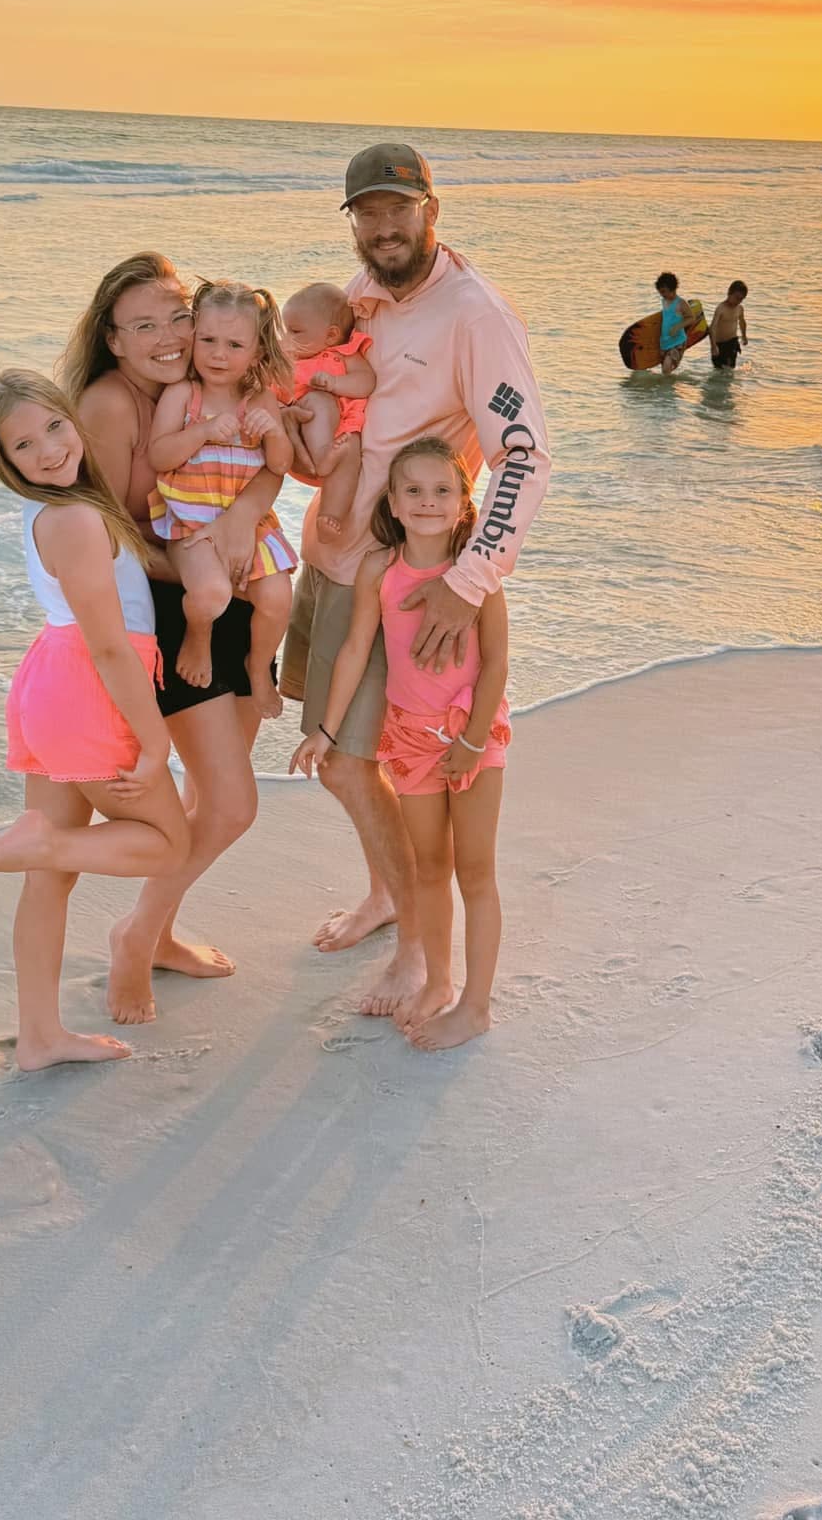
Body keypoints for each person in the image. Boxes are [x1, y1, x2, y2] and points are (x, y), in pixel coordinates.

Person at [280, 141, 550, 1021]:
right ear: (353, 218)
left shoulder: (474, 314)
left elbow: (524, 453)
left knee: (363, 762)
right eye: (369, 210)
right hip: (330, 564)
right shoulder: (358, 301)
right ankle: (389, 893)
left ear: (433, 210)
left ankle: (409, 942)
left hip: (405, 589)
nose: (385, 225)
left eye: (401, 207)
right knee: (344, 760)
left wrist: (469, 580)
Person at [0, 371, 190, 1070]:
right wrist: (155, 737)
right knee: (166, 845)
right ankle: (37, 843)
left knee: (49, 878)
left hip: (51, 679)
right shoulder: (77, 518)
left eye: (53, 426)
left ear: (70, 418)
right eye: (24, 444)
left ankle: (40, 1036)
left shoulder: (53, 508)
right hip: (89, 689)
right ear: (4, 461)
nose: (48, 450)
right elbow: (110, 645)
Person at [61, 252, 280, 1025]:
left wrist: (244, 518)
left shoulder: (213, 388)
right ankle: (134, 935)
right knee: (231, 803)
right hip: (171, 609)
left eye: (176, 317)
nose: (168, 336)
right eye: (143, 325)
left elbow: (265, 468)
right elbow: (109, 533)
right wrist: (199, 566)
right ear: (113, 339)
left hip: (235, 593)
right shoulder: (112, 405)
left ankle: (156, 931)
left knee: (212, 793)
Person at [291, 437, 510, 1050]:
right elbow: (358, 649)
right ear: (391, 499)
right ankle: (438, 982)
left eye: (442, 490)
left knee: (475, 871)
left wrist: (470, 741)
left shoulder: (476, 575)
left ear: (465, 502)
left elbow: (494, 666)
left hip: (472, 737)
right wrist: (327, 730)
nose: (427, 502)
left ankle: (476, 1004)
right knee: (431, 868)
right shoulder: (379, 570)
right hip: (409, 741)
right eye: (412, 490)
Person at [149, 281, 296, 718]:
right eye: (208, 341)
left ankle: (256, 665)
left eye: (234, 345)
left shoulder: (261, 400)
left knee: (278, 598)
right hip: (190, 525)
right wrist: (202, 432)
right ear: (192, 338)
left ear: (256, 352)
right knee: (210, 594)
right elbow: (160, 455)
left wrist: (272, 430)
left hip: (251, 526)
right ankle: (199, 635)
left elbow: (280, 464)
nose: (218, 354)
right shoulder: (184, 397)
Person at [278, 281, 375, 538]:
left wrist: (334, 383)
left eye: (295, 332)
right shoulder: (286, 362)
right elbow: (267, 394)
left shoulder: (345, 353)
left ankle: (329, 517)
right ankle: (323, 457)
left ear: (331, 335)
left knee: (350, 454)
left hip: (343, 430)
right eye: (285, 330)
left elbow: (366, 382)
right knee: (319, 401)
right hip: (308, 433)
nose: (287, 338)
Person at [655, 270, 698, 376]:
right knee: (665, 369)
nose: (662, 295)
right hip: (665, 341)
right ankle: (668, 389)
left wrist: (678, 326)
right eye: (660, 292)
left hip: (678, 342)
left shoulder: (680, 303)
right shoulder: (664, 301)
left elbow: (691, 318)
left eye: (664, 292)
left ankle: (667, 390)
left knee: (666, 368)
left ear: (672, 289)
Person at [709, 281, 749, 369]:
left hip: (732, 342)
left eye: (741, 299)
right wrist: (713, 346)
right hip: (719, 344)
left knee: (729, 369)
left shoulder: (739, 308)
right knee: (719, 369)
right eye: (737, 298)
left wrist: (744, 336)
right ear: (729, 293)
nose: (738, 301)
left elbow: (742, 322)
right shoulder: (721, 308)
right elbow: (713, 327)